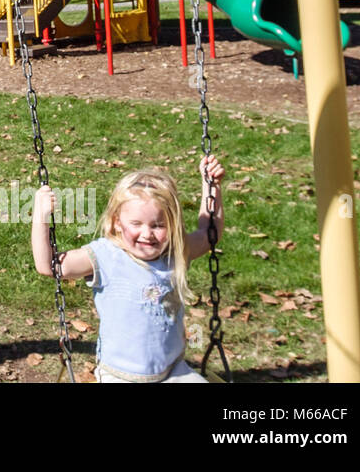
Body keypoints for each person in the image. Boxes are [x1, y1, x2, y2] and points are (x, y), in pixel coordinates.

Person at [30, 155, 225, 383]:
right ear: (116, 223)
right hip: (120, 376)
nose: (147, 233)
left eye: (158, 225)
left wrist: (211, 185)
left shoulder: (175, 252)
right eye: (136, 224)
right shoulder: (106, 256)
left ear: (172, 225)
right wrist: (41, 216)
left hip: (172, 370)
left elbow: (209, 234)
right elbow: (49, 266)